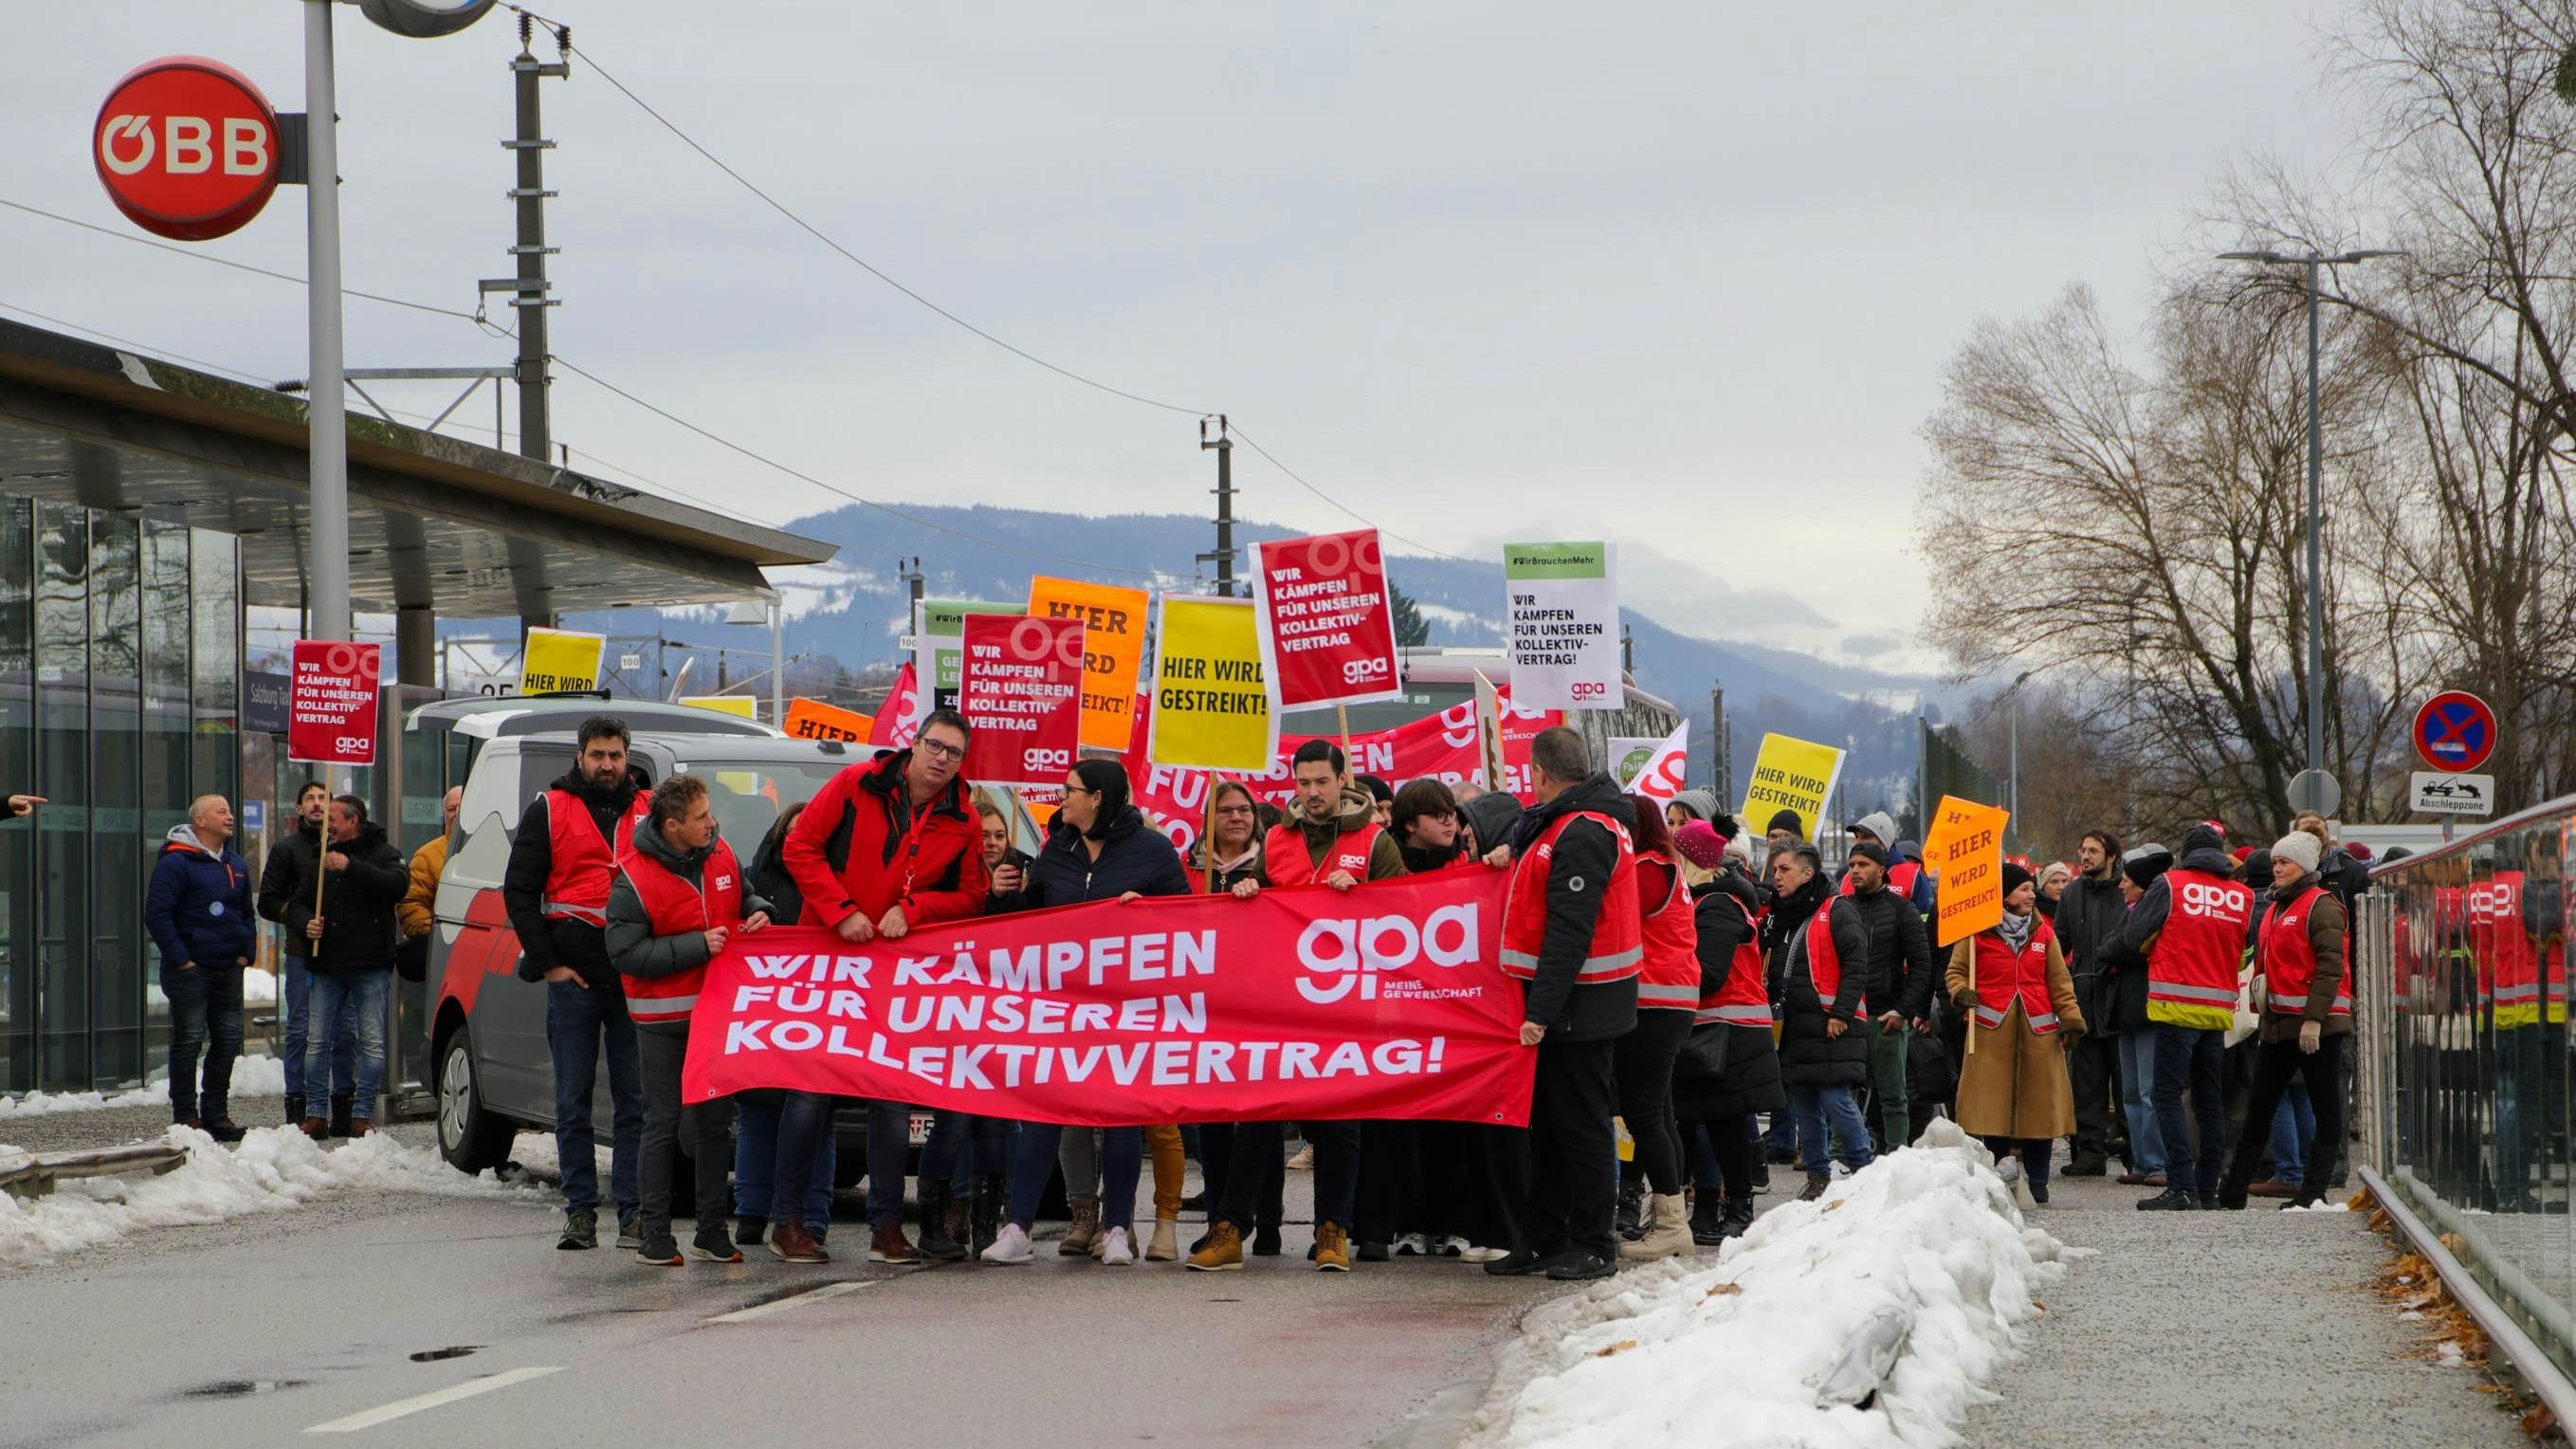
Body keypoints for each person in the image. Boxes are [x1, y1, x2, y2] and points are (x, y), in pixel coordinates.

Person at [782, 707, 991, 1267]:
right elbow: (799, 848)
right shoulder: (856, 784)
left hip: (897, 972)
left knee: (892, 1099)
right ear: (914, 744)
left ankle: (887, 1228)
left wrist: (914, 909)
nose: (941, 759)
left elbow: (972, 896)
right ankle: (789, 1221)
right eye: (935, 746)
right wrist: (841, 911)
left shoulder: (965, 819)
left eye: (953, 753)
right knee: (810, 1095)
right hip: (828, 958)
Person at [1190, 740, 1402, 1273]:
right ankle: (1231, 1228)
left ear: (1342, 780)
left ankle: (1333, 1230)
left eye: (1321, 782)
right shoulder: (1278, 839)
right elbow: (1261, 899)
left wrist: (1365, 895)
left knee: (1340, 1123)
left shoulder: (1374, 841)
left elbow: (1409, 913)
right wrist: (1249, 890)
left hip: (1349, 1003)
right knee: (1259, 1115)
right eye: (1303, 783)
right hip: (1283, 1003)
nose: (1311, 792)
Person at [984, 758, 1192, 1267]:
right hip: (1061, 1006)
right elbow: (1029, 918)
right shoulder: (1058, 848)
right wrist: (1001, 896)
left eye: (1070, 790)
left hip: (1125, 1006)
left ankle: (1117, 1229)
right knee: (1044, 1113)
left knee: (1121, 1117)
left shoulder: (1153, 849)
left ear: (1097, 798)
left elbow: (1188, 920)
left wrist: (1153, 912)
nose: (1062, 798)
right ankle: (1018, 1229)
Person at [1481, 726, 1638, 1283]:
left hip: (1581, 1005)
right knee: (1547, 1127)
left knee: (1581, 1128)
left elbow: (1569, 931)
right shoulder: (1562, 823)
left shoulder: (1584, 829)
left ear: (1540, 772)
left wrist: (1540, 1012)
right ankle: (1544, 1237)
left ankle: (1594, 1243)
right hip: (1570, 1002)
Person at [606, 773, 775, 1266]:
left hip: (716, 1013)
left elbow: (744, 895)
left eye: (709, 812)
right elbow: (624, 953)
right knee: (661, 1124)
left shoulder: (721, 853)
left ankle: (711, 1231)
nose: (711, 823)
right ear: (672, 826)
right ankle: (655, 1235)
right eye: (701, 817)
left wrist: (759, 909)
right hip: (662, 1020)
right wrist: (697, 946)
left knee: (715, 1125)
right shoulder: (633, 877)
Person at [502, 715, 653, 1251]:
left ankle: (633, 1212)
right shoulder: (549, 808)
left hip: (635, 980)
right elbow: (519, 892)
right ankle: (581, 1212)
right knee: (572, 1102)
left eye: (615, 755)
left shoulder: (652, 809)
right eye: (597, 755)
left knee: (635, 1102)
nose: (607, 765)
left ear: (627, 757)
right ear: (580, 757)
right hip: (573, 982)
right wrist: (550, 965)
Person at [2109, 824, 2249, 1210]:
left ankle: (2181, 1185)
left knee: (2166, 1095)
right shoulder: (2240, 894)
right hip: (2217, 1011)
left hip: (2175, 1005)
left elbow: (2134, 936)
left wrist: (2159, 944)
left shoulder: (2170, 885)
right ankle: (2207, 1189)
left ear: (2186, 853)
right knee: (2209, 1100)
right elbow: (2245, 952)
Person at [2220, 832, 2352, 1211]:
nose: (2277, 868)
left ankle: (2313, 1191)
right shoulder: (2277, 906)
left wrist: (2314, 1020)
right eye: (2275, 862)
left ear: (2305, 866)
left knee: (2325, 1108)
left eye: (2285, 862)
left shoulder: (2322, 906)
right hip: (2279, 1025)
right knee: (2260, 1106)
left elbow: (2331, 968)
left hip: (2317, 1027)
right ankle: (2233, 1191)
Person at [734, 802, 839, 1257]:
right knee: (758, 1114)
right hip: (764, 1012)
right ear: (778, 837)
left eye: (807, 831)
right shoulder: (752, 880)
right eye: (791, 830)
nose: (798, 837)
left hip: (821, 1013)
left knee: (819, 1118)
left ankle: (812, 1217)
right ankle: (751, 1213)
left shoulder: (838, 884)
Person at [1670, 819, 1781, 1242]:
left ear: (1692, 859)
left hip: (1728, 1031)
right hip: (1714, 1029)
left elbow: (1710, 974)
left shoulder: (1717, 904)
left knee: (1725, 1124)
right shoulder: (1709, 902)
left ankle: (1738, 1210)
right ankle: (1705, 1211)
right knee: (1702, 1121)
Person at [1948, 863, 2085, 1202]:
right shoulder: (1975, 934)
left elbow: (2060, 982)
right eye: (2024, 889)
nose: (2031, 895)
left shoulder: (2045, 934)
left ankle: (2038, 1181)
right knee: (1992, 1109)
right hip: (1990, 1031)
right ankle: (1999, 1177)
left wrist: (2071, 1018)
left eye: (2031, 889)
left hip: (2039, 1031)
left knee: (2040, 1109)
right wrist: (1961, 993)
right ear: (2004, 894)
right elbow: (1956, 972)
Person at [283, 795, 407, 1140]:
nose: (328, 825)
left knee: (371, 1042)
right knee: (317, 1041)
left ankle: (361, 1114)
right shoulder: (322, 856)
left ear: (354, 821)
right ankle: (316, 1114)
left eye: (334, 819)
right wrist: (306, 923)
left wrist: (350, 867)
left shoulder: (385, 853)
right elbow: (298, 903)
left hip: (370, 964)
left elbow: (397, 886)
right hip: (326, 964)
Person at [143, 794, 255, 1143]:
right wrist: (183, 960)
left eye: (230, 811)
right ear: (200, 821)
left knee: (228, 1040)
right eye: (221, 811)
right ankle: (186, 1116)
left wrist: (245, 954)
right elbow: (157, 915)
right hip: (190, 970)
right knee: (189, 1040)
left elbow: (246, 914)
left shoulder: (236, 863)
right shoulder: (175, 863)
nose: (230, 816)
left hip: (228, 968)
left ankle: (216, 1113)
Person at [1616, 804, 1699, 1260]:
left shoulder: (1647, 868)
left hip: (1653, 1000)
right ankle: (1672, 1219)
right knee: (1659, 1113)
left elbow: (1616, 920)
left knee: (1644, 1113)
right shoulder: (1665, 865)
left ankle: (1670, 1226)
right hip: (1669, 998)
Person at [1772, 843, 1873, 1199]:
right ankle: (1817, 1177)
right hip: (1796, 1029)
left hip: (1831, 1024)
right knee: (1805, 1106)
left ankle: (1864, 1169)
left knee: (1835, 1099)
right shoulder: (1784, 916)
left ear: (1807, 874)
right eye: (1775, 870)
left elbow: (1857, 964)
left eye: (1784, 869)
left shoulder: (1837, 909)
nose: (1776, 876)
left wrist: (1841, 1013)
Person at [257, 780, 350, 1129]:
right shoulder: (286, 850)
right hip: (301, 953)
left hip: (344, 954)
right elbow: (268, 901)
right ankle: (298, 1104)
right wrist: (300, 919)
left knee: (345, 1030)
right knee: (300, 1029)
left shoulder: (348, 847)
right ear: (299, 809)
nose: (317, 804)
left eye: (323, 798)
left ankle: (343, 1104)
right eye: (309, 798)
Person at [1840, 840, 1934, 1153]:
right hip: (1849, 1016)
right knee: (1844, 1094)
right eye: (1852, 865)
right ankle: (1843, 1156)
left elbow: (1921, 965)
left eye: (1863, 865)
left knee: (1893, 1096)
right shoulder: (1842, 908)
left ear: (1881, 870)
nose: (1855, 871)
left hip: (1885, 1017)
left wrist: (1902, 1010)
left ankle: (1897, 1154)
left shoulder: (1902, 910)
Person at [2052, 830, 2128, 1178]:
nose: (2085, 856)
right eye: (2083, 850)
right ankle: (2090, 1153)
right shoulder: (2071, 894)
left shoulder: (2126, 890)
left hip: (2120, 1000)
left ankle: (2137, 1155)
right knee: (2087, 1084)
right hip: (2084, 1000)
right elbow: (2059, 944)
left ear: (2111, 856)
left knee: (2127, 1087)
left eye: (2093, 851)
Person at [400, 786, 464, 941]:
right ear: (444, 814)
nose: (457, 813)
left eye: (463, 807)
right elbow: (411, 902)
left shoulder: (496, 849)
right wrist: (431, 938)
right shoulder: (426, 855)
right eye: (451, 809)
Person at [1841, 811, 1935, 914]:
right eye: (1857, 836)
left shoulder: (1914, 876)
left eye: (1865, 837)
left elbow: (1926, 918)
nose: (1858, 842)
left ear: (1883, 843)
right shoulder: (1848, 876)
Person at [1187, 780, 1266, 894]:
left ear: (1255, 815)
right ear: (1210, 817)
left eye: (1244, 810)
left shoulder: (1272, 865)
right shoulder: (1185, 863)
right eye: (1225, 811)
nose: (1236, 818)